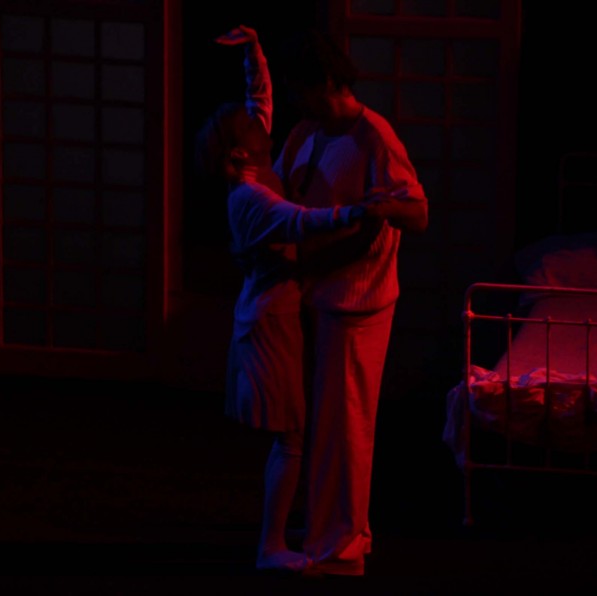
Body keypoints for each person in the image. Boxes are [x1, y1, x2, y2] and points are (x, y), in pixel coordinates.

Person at [194, 25, 404, 574]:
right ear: (239, 150)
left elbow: (258, 102)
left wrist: (254, 51)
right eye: (251, 125)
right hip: (272, 318)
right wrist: (364, 212)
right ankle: (274, 545)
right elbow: (304, 221)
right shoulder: (252, 196)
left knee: (305, 432)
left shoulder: (259, 161)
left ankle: (292, 539)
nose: (266, 118)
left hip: (292, 310)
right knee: (292, 436)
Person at [272, 28, 429, 577]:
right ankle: (329, 529)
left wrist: (380, 210)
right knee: (323, 422)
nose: (299, 102)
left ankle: (341, 546)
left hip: (358, 300)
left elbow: (418, 212)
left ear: (326, 83)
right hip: (316, 292)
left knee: (348, 423)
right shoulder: (305, 134)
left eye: (303, 90)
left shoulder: (373, 137)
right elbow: (281, 194)